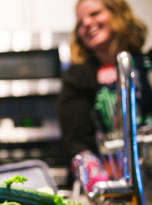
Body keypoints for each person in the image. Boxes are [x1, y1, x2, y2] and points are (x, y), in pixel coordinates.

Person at [58, 0, 152, 193]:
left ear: (118, 13)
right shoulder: (77, 78)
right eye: (80, 22)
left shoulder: (148, 64)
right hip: (110, 184)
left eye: (94, 14)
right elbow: (77, 141)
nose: (86, 23)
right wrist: (97, 180)